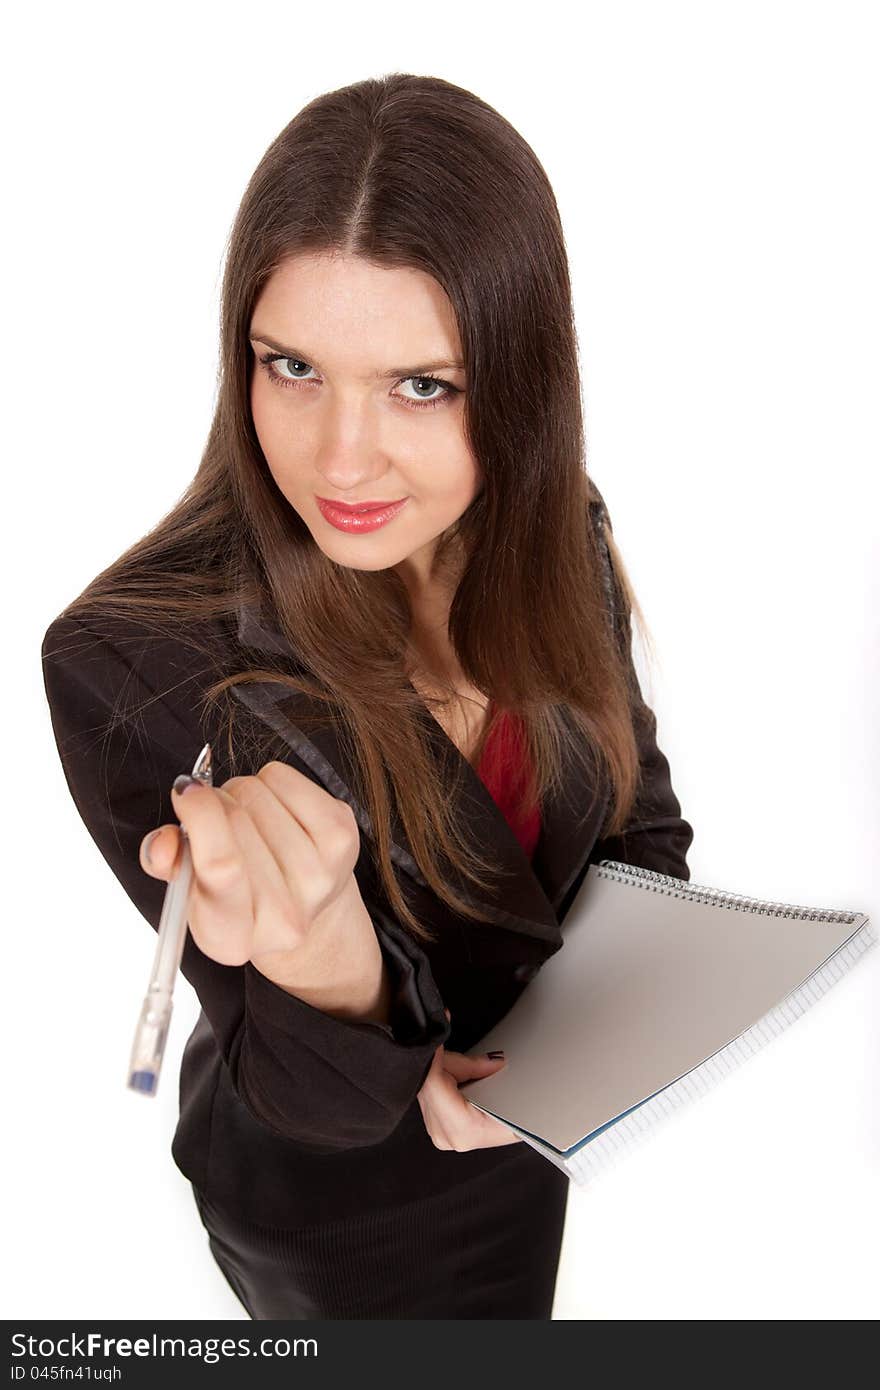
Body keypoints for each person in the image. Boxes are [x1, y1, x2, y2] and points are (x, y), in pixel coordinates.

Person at [40, 73, 694, 1320]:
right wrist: (323, 959)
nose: (341, 460)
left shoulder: (557, 529)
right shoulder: (132, 661)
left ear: (523, 383)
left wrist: (560, 1069)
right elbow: (318, 1094)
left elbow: (637, 832)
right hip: (342, 1215)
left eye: (421, 385)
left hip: (526, 1147)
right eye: (292, 366)